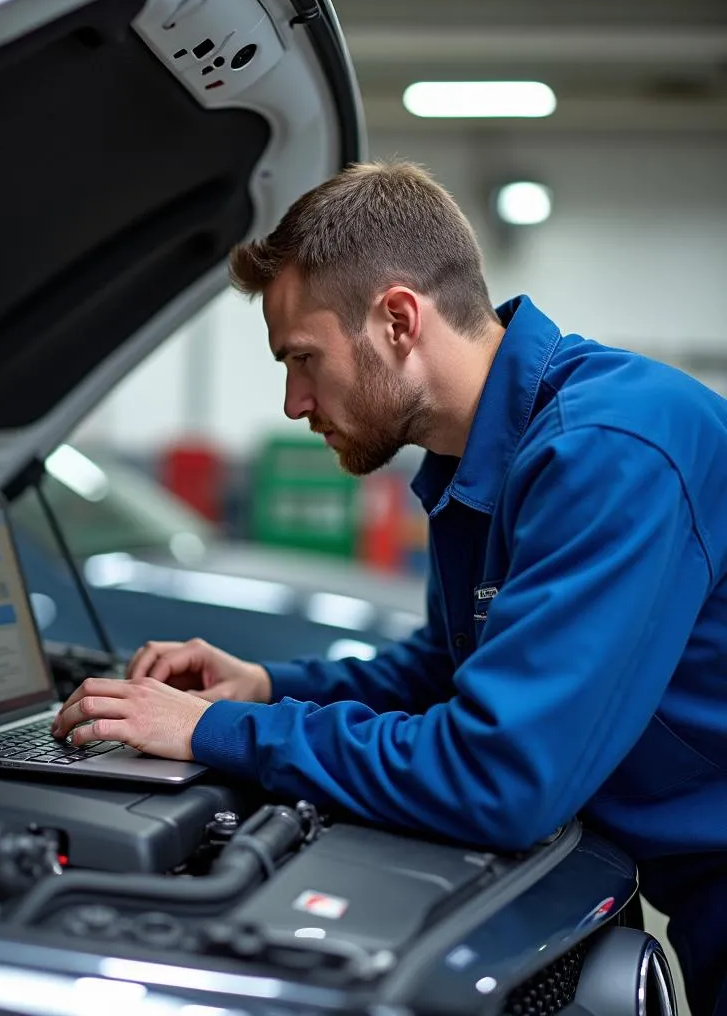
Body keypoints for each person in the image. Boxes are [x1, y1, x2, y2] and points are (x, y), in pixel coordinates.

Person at [51, 161, 727, 1014]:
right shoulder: (483, 455)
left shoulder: (610, 451)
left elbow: (501, 777)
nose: (294, 401)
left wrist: (222, 730)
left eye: (303, 358)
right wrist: (266, 685)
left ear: (398, 319)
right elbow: (447, 672)